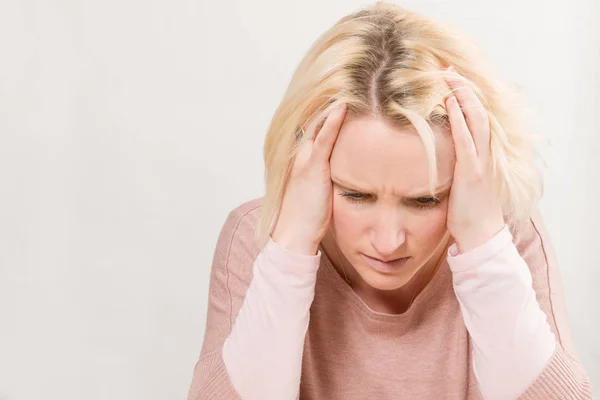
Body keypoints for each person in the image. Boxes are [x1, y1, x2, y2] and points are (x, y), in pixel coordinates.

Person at [187, 2, 593, 399]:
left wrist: (484, 246)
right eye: (356, 195)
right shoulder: (258, 236)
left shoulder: (508, 237)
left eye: (425, 200)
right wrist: (291, 247)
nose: (388, 242)